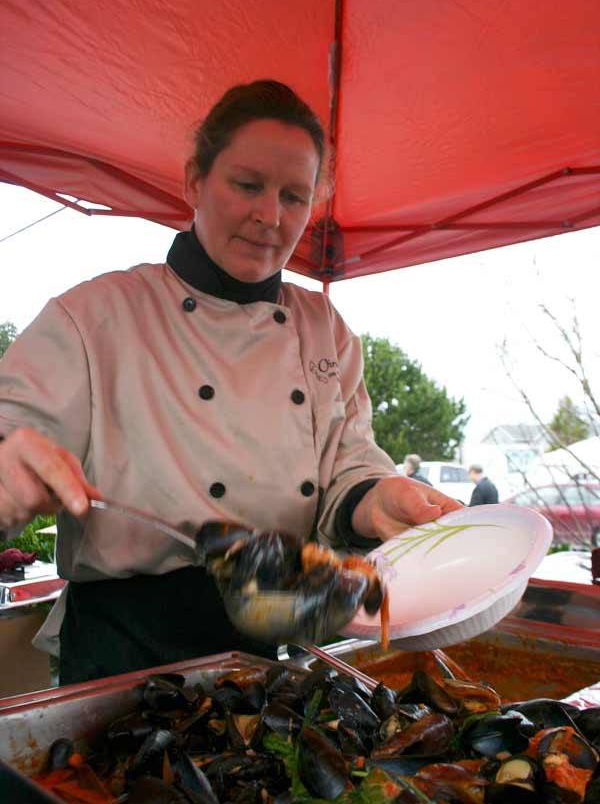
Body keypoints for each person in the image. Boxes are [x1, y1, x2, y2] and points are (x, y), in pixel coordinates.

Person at [0, 80, 461, 685]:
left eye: (294, 196)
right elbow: (11, 438)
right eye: (248, 186)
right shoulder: (93, 318)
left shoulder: (324, 329)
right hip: (129, 652)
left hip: (281, 640)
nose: (270, 217)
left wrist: (377, 498)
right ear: (194, 181)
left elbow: (347, 461)